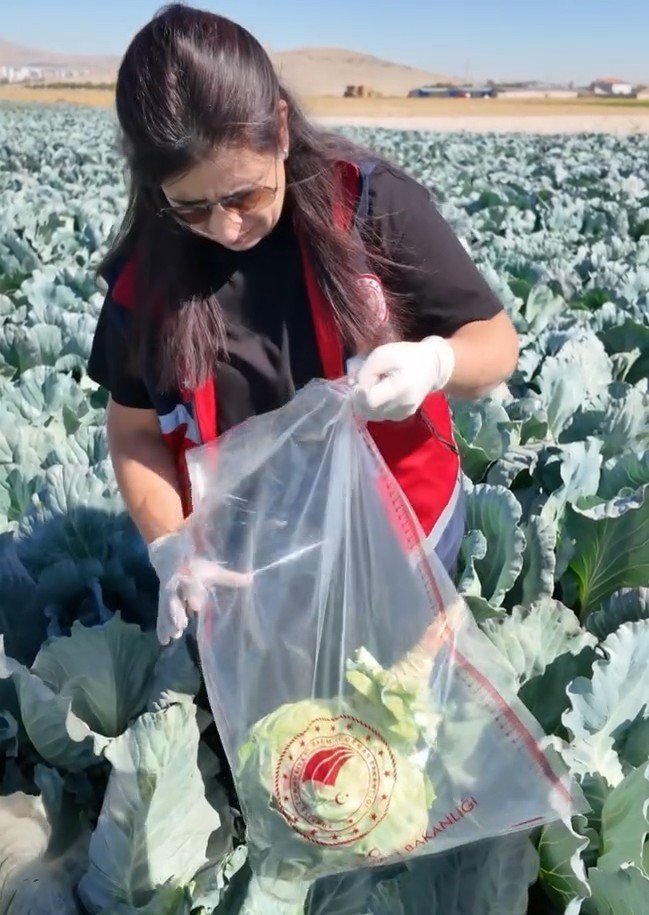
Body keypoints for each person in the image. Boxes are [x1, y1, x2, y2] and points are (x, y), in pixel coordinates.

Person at [88, 4, 519, 646]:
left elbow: (496, 344)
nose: (227, 228)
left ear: (281, 130)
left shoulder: (371, 205)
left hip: (402, 540)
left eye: (245, 195)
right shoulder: (145, 278)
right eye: (192, 207)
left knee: (393, 727)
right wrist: (172, 545)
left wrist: (436, 364)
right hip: (249, 574)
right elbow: (134, 434)